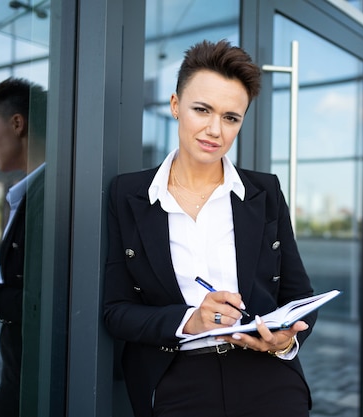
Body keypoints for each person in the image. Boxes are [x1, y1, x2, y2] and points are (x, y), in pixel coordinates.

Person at [103, 39, 317, 417]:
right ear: (175, 106)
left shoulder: (264, 192)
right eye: (202, 110)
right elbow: (116, 310)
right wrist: (190, 319)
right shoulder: (128, 194)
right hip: (176, 382)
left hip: (268, 380)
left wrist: (283, 341)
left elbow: (299, 294)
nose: (214, 129)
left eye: (230, 117)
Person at [0, 77, 47, 417]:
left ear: (18, 123)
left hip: (34, 378)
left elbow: (42, 304)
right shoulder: (35, 193)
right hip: (23, 374)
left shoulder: (47, 197)